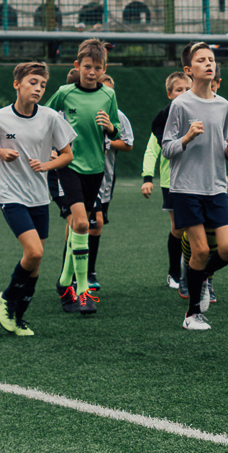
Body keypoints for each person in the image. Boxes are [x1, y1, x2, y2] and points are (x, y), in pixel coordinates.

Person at [0, 62, 76, 336]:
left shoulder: (50, 117)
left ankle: (18, 318)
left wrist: (46, 166)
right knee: (34, 252)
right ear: (17, 84)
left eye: (42, 85)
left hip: (39, 196)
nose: (38, 88)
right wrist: (0, 153)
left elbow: (67, 155)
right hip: (10, 195)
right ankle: (7, 297)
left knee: (34, 262)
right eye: (33, 82)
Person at [161, 42, 228, 331]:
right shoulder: (180, 105)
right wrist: (186, 138)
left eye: (212, 59)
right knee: (200, 250)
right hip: (186, 189)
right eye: (202, 60)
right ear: (188, 70)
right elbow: (167, 148)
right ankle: (191, 314)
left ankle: (198, 276)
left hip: (217, 187)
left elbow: (220, 144)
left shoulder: (223, 105)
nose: (209, 64)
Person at [45, 39, 122, 315]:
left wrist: (110, 127)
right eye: (87, 66)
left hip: (96, 168)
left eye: (97, 68)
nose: (92, 72)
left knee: (82, 226)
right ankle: (81, 291)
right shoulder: (64, 92)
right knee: (80, 222)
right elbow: (44, 119)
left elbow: (115, 134)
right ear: (77, 66)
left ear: (104, 69)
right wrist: (52, 149)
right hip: (69, 166)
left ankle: (64, 281)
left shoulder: (108, 96)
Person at [142, 72, 191, 289]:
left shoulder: (198, 116)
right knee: (179, 228)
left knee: (198, 229)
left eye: (187, 89)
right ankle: (174, 272)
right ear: (170, 94)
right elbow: (151, 151)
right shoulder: (164, 122)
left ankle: (195, 272)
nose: (184, 94)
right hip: (171, 182)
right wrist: (147, 178)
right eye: (179, 90)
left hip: (196, 180)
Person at [88, 74, 135, 291]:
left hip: (105, 179)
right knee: (91, 223)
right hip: (84, 174)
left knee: (94, 226)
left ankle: (88, 269)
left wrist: (109, 140)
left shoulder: (119, 116)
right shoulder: (84, 111)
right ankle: (83, 273)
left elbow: (128, 144)